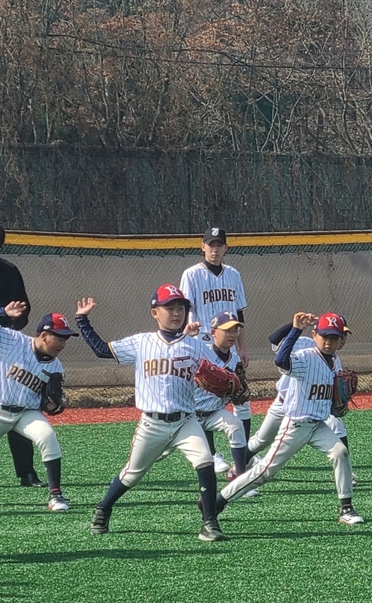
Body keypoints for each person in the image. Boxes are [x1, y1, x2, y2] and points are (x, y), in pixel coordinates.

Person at [75, 285, 226, 541]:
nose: (177, 313)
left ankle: (209, 523)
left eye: (181, 308)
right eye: (170, 308)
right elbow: (102, 349)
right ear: (155, 312)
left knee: (206, 462)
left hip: (185, 421)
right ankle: (103, 507)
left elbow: (219, 373)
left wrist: (230, 382)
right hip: (152, 424)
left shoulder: (194, 345)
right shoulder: (141, 342)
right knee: (132, 475)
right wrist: (82, 320)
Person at [215, 312, 363, 525]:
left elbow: (329, 399)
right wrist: (295, 330)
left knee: (340, 452)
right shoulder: (306, 357)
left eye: (334, 338)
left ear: (341, 340)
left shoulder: (335, 363)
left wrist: (335, 404)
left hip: (318, 425)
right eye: (325, 337)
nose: (329, 342)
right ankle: (220, 500)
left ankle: (346, 508)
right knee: (266, 471)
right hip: (295, 424)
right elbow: (282, 361)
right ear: (315, 335)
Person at [0, 307, 75, 566]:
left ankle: (55, 495)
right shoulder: (13, 341)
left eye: (65, 338)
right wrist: (2, 312)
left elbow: (51, 403)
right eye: (59, 337)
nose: (63, 343)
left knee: (47, 435)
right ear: (43, 334)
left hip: (26, 413)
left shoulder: (56, 365)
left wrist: (54, 405)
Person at [0, 218, 42, 487]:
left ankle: (26, 472)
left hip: (2, 352)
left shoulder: (8, 271)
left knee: (15, 405)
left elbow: (24, 312)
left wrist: (10, 318)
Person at [180, 227, 250, 471]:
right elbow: (186, 309)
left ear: (226, 248)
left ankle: (246, 454)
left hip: (228, 346)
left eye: (219, 245)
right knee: (204, 400)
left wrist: (242, 347)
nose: (215, 249)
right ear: (202, 246)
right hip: (202, 345)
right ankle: (211, 454)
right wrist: (189, 335)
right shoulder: (191, 275)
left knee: (242, 398)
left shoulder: (233, 274)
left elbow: (240, 314)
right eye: (211, 244)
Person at [190, 312, 247, 475]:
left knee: (235, 426)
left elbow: (239, 393)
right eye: (227, 330)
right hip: (188, 416)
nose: (232, 334)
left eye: (235, 330)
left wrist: (238, 390)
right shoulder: (199, 353)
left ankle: (240, 478)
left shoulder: (235, 359)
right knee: (156, 454)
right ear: (213, 332)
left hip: (213, 413)